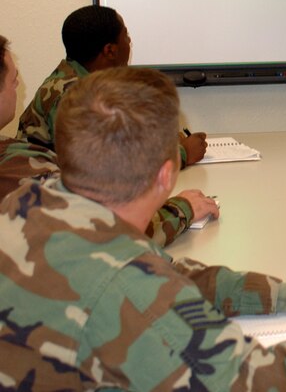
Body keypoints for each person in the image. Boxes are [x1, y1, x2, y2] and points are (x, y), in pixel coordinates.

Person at [0, 66, 286, 389]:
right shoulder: (131, 292)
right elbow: (256, 381)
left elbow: (163, 270)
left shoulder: (28, 204)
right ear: (167, 177)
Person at [0, 34, 219, 246]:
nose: (17, 85)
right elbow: (107, 234)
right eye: (13, 79)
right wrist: (182, 209)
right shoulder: (16, 166)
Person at [16, 4, 208, 166]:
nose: (130, 41)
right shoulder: (72, 95)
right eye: (126, 35)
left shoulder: (91, 83)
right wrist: (182, 155)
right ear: (110, 50)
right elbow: (105, 168)